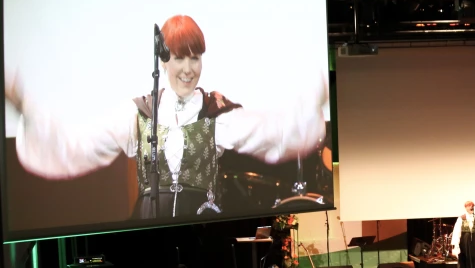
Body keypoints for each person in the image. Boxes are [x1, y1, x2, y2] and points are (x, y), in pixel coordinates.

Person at [6, 14, 327, 219]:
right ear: (163, 62)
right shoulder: (138, 114)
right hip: (149, 230)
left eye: (195, 58)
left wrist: (318, 94)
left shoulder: (217, 114)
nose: (188, 69)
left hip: (202, 226)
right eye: (179, 58)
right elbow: (75, 147)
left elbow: (274, 134)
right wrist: (25, 106)